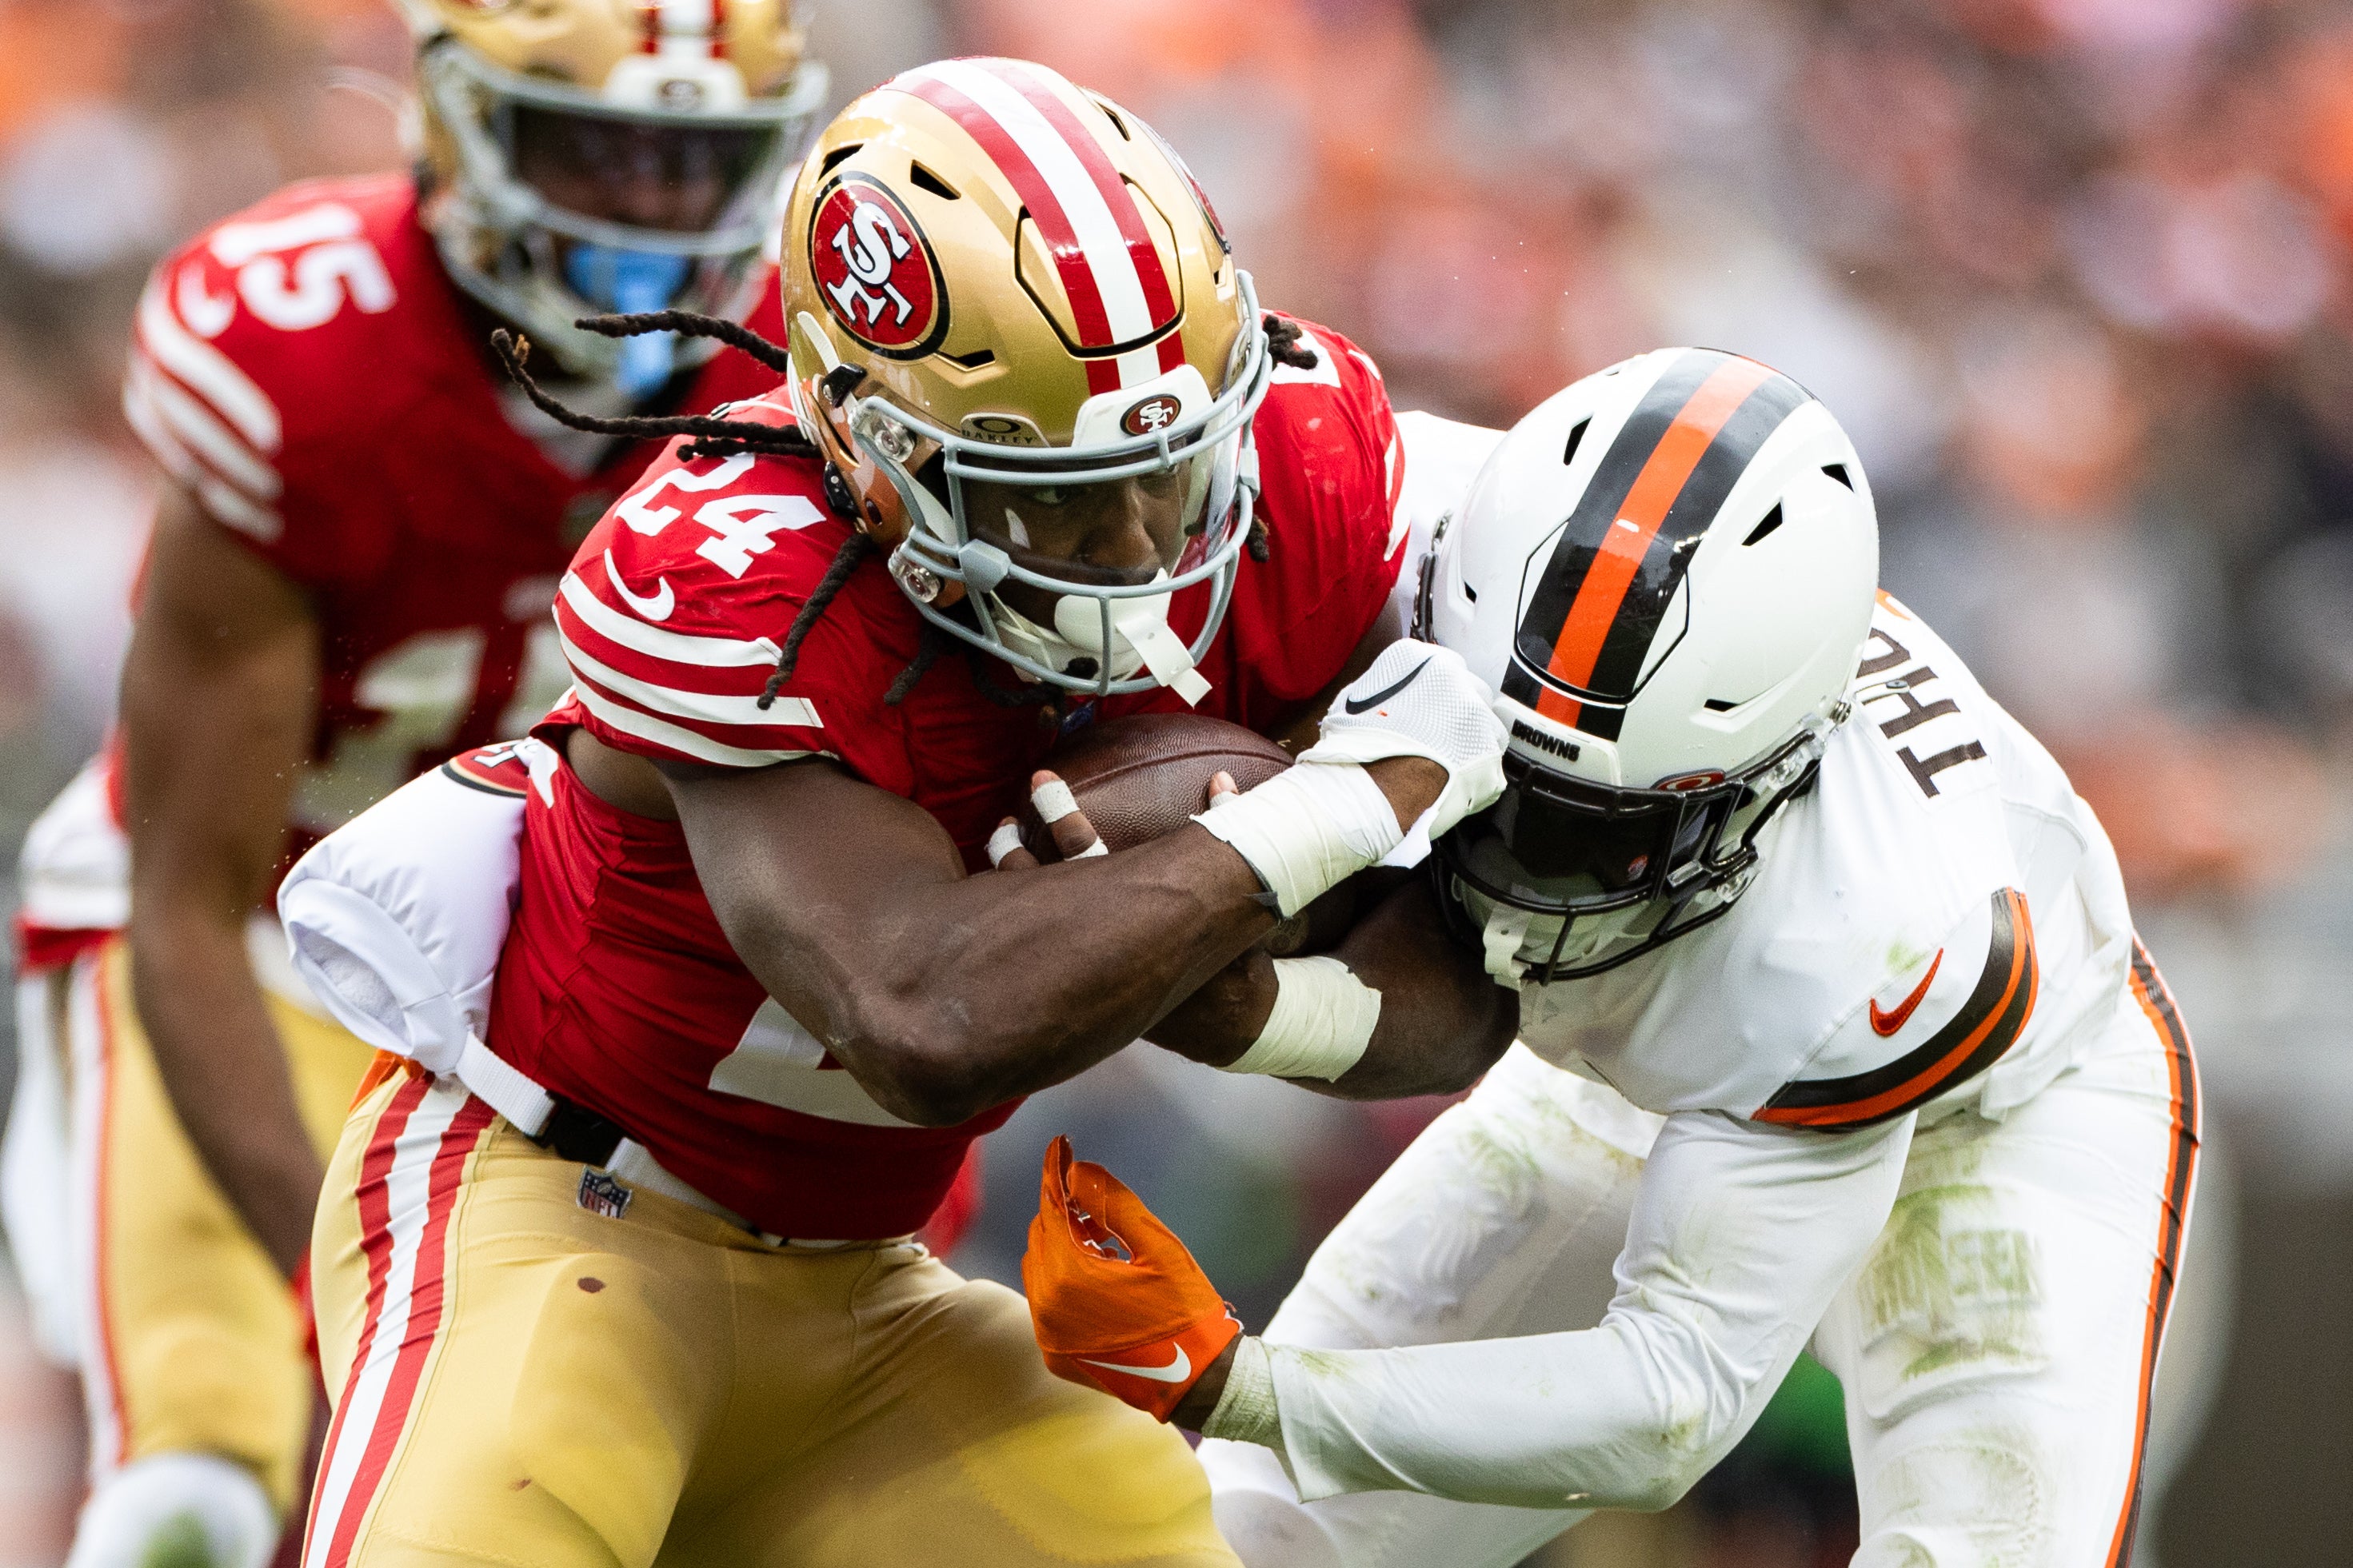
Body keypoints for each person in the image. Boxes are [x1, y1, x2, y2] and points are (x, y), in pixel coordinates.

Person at [274, 58, 1514, 1568]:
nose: (1135, 542)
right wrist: (1310, 824)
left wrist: (1249, 993)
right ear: (870, 452)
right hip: (558, 1223)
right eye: (1050, 491)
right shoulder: (737, 575)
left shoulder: (1299, 478)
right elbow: (920, 1014)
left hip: (865, 1299)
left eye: (1166, 467)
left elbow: (1457, 1013)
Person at [1022, 347, 2201, 1568]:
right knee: (1258, 1535)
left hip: (1996, 1109)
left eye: (1584, 830)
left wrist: (1242, 1382)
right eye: (1487, 772)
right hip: (1648, 1037)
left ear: (1757, 788)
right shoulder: (1385, 504)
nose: (1511, 861)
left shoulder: (1886, 928)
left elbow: (1668, 1399)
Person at [0, 6, 827, 1565]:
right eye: (594, 146)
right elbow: (184, 903)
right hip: (248, 939)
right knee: (202, 1468)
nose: (643, 208)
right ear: (457, 126)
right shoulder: (306, 353)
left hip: (546, 985)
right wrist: (387, 1291)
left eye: (693, 160)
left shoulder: (812, 363)